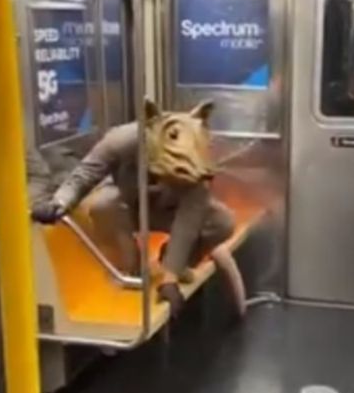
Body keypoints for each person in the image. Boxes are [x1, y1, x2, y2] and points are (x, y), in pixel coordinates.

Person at [31, 100, 246, 318]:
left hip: (167, 209)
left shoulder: (196, 156)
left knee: (222, 222)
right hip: (129, 205)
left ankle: (176, 261)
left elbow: (189, 219)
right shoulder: (121, 140)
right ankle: (131, 265)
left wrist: (169, 277)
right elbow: (86, 173)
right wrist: (59, 203)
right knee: (104, 205)